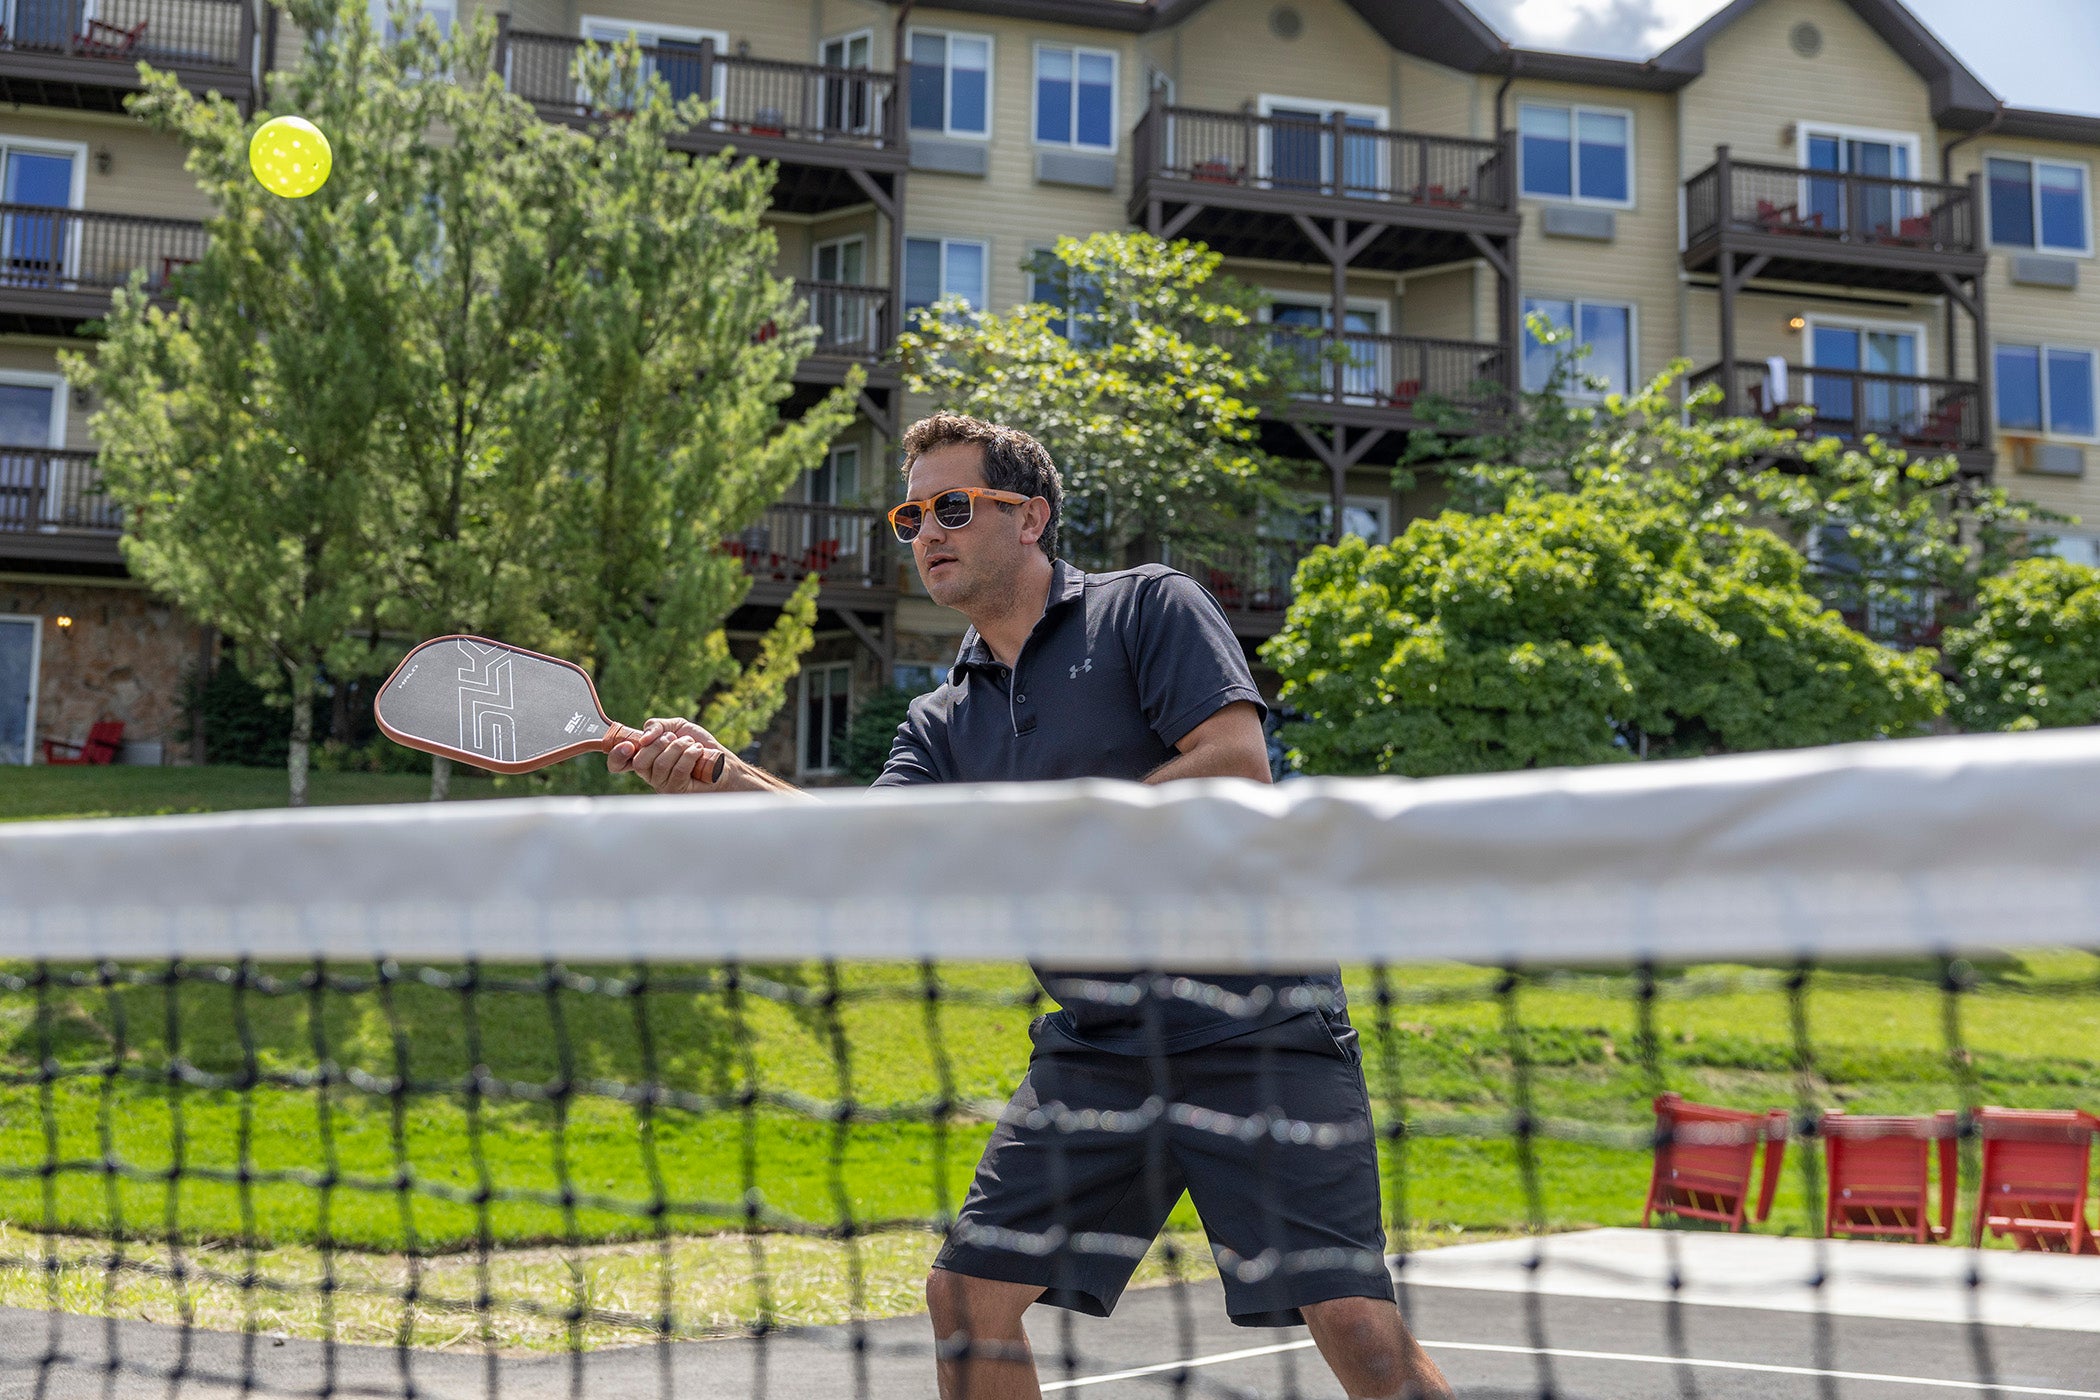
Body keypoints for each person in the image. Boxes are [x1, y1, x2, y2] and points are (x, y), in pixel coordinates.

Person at [609, 413, 1451, 1400]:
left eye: (953, 506)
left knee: (1360, 1330)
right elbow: (861, 853)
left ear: (1032, 515)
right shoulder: (943, 717)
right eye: (910, 513)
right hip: (1100, 1045)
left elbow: (1232, 763)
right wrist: (728, 777)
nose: (927, 530)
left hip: (1257, 1026)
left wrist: (1041, 848)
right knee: (967, 1297)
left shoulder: (1148, 609)